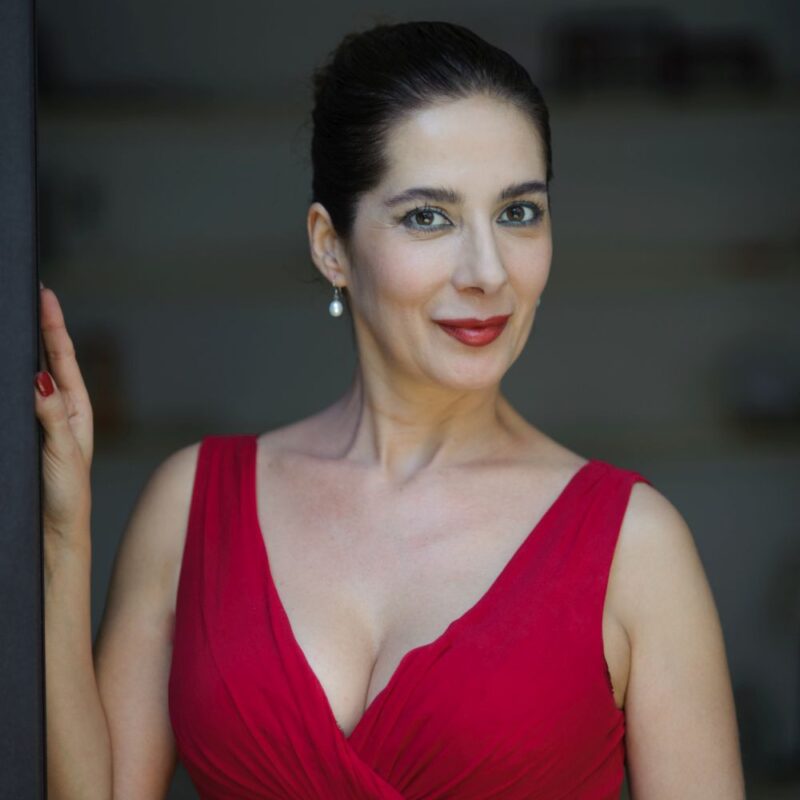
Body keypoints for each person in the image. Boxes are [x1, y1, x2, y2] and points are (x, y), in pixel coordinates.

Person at [37, 20, 745, 800]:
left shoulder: (636, 548)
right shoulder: (190, 505)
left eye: (518, 213)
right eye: (428, 217)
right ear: (330, 246)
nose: (487, 272)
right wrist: (62, 544)